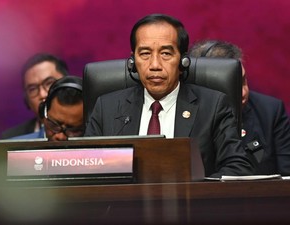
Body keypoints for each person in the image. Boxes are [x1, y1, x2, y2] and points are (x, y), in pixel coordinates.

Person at [84, 13, 254, 178]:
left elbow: (238, 167)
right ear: (132, 62)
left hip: (191, 204)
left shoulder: (213, 106)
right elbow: (85, 167)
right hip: (125, 206)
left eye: (166, 53)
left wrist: (192, 192)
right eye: (145, 54)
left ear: (183, 62)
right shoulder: (107, 107)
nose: (155, 65)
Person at [189, 40, 290, 175]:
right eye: (233, 84)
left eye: (243, 81)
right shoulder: (184, 114)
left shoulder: (271, 111)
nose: (243, 93)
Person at [2, 53, 69, 139]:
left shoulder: (89, 129)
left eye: (49, 83)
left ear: (68, 84)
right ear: (26, 101)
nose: (42, 94)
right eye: (33, 89)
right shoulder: (11, 139)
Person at [11, 76, 84, 141]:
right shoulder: (11, 152)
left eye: (73, 131)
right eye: (54, 125)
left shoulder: (95, 153)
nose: (60, 137)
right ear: (43, 111)